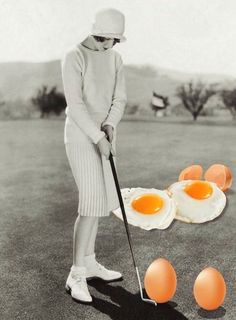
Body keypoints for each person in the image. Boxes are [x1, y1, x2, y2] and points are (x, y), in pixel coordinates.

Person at [61, 8, 127, 304]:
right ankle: (76, 274)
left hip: (103, 134)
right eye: (101, 38)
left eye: (111, 40)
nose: (105, 45)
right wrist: (98, 136)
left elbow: (119, 98)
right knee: (89, 204)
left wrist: (111, 124)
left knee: (100, 202)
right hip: (79, 135)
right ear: (93, 32)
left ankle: (89, 262)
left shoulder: (115, 58)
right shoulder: (74, 56)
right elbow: (75, 105)